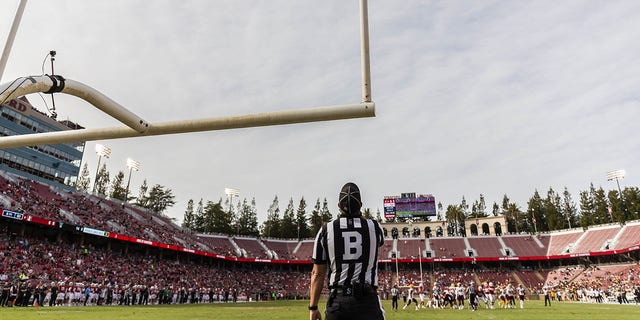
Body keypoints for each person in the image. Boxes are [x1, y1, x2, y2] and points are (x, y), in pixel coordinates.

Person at [309, 182, 385, 320]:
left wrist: (313, 307)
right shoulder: (374, 227)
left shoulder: (326, 230)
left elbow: (317, 273)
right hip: (367, 301)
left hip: (339, 302)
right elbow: (377, 244)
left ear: (339, 205)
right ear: (361, 204)